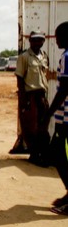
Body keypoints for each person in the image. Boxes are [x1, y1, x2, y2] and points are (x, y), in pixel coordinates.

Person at [14, 31, 51, 166]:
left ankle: (41, 153)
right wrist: (24, 100)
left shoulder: (44, 56)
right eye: (34, 40)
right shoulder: (24, 57)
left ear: (43, 42)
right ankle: (34, 155)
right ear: (30, 41)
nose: (37, 43)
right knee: (31, 127)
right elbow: (20, 78)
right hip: (30, 95)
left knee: (43, 126)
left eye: (40, 40)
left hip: (42, 95)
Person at [45, 22, 68, 215]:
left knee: (57, 153)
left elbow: (64, 89)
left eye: (58, 36)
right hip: (65, 116)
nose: (57, 40)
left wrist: (49, 113)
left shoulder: (67, 57)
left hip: (67, 117)